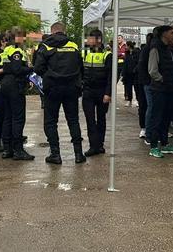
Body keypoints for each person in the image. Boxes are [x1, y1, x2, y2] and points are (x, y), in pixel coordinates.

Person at [34, 22, 86, 165]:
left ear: (52, 32)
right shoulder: (74, 45)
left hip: (52, 88)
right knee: (73, 120)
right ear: (64, 31)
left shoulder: (45, 46)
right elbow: (81, 67)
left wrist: (49, 75)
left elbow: (37, 68)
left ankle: (55, 154)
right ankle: (78, 154)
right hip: (71, 88)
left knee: (51, 121)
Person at [0, 28, 35, 160]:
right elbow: (17, 69)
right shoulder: (16, 51)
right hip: (15, 85)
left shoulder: (6, 49)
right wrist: (31, 68)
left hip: (5, 84)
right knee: (18, 118)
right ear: (18, 38)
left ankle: (7, 149)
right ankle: (18, 150)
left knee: (8, 117)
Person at [146, 25, 173, 158]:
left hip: (168, 89)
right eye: (172, 33)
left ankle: (165, 144)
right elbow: (152, 70)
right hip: (159, 89)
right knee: (157, 117)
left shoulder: (167, 48)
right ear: (164, 34)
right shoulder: (155, 48)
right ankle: (154, 146)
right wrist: (162, 80)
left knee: (166, 117)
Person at [81, 29, 113, 157]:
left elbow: (111, 76)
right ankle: (93, 146)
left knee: (101, 119)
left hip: (102, 91)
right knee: (90, 119)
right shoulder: (84, 53)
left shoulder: (107, 55)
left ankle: (100, 145)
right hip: (88, 91)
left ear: (98, 39)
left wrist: (108, 93)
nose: (88, 40)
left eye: (90, 38)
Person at [135, 33, 153, 140]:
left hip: (142, 81)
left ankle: (146, 129)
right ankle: (145, 129)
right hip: (143, 82)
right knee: (145, 106)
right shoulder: (148, 50)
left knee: (146, 106)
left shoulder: (147, 50)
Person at [122, 41, 137, 107]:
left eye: (126, 46)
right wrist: (123, 73)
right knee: (128, 87)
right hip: (128, 74)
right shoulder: (127, 54)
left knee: (136, 87)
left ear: (129, 46)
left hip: (135, 73)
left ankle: (137, 100)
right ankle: (129, 100)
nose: (125, 47)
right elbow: (125, 64)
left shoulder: (136, 53)